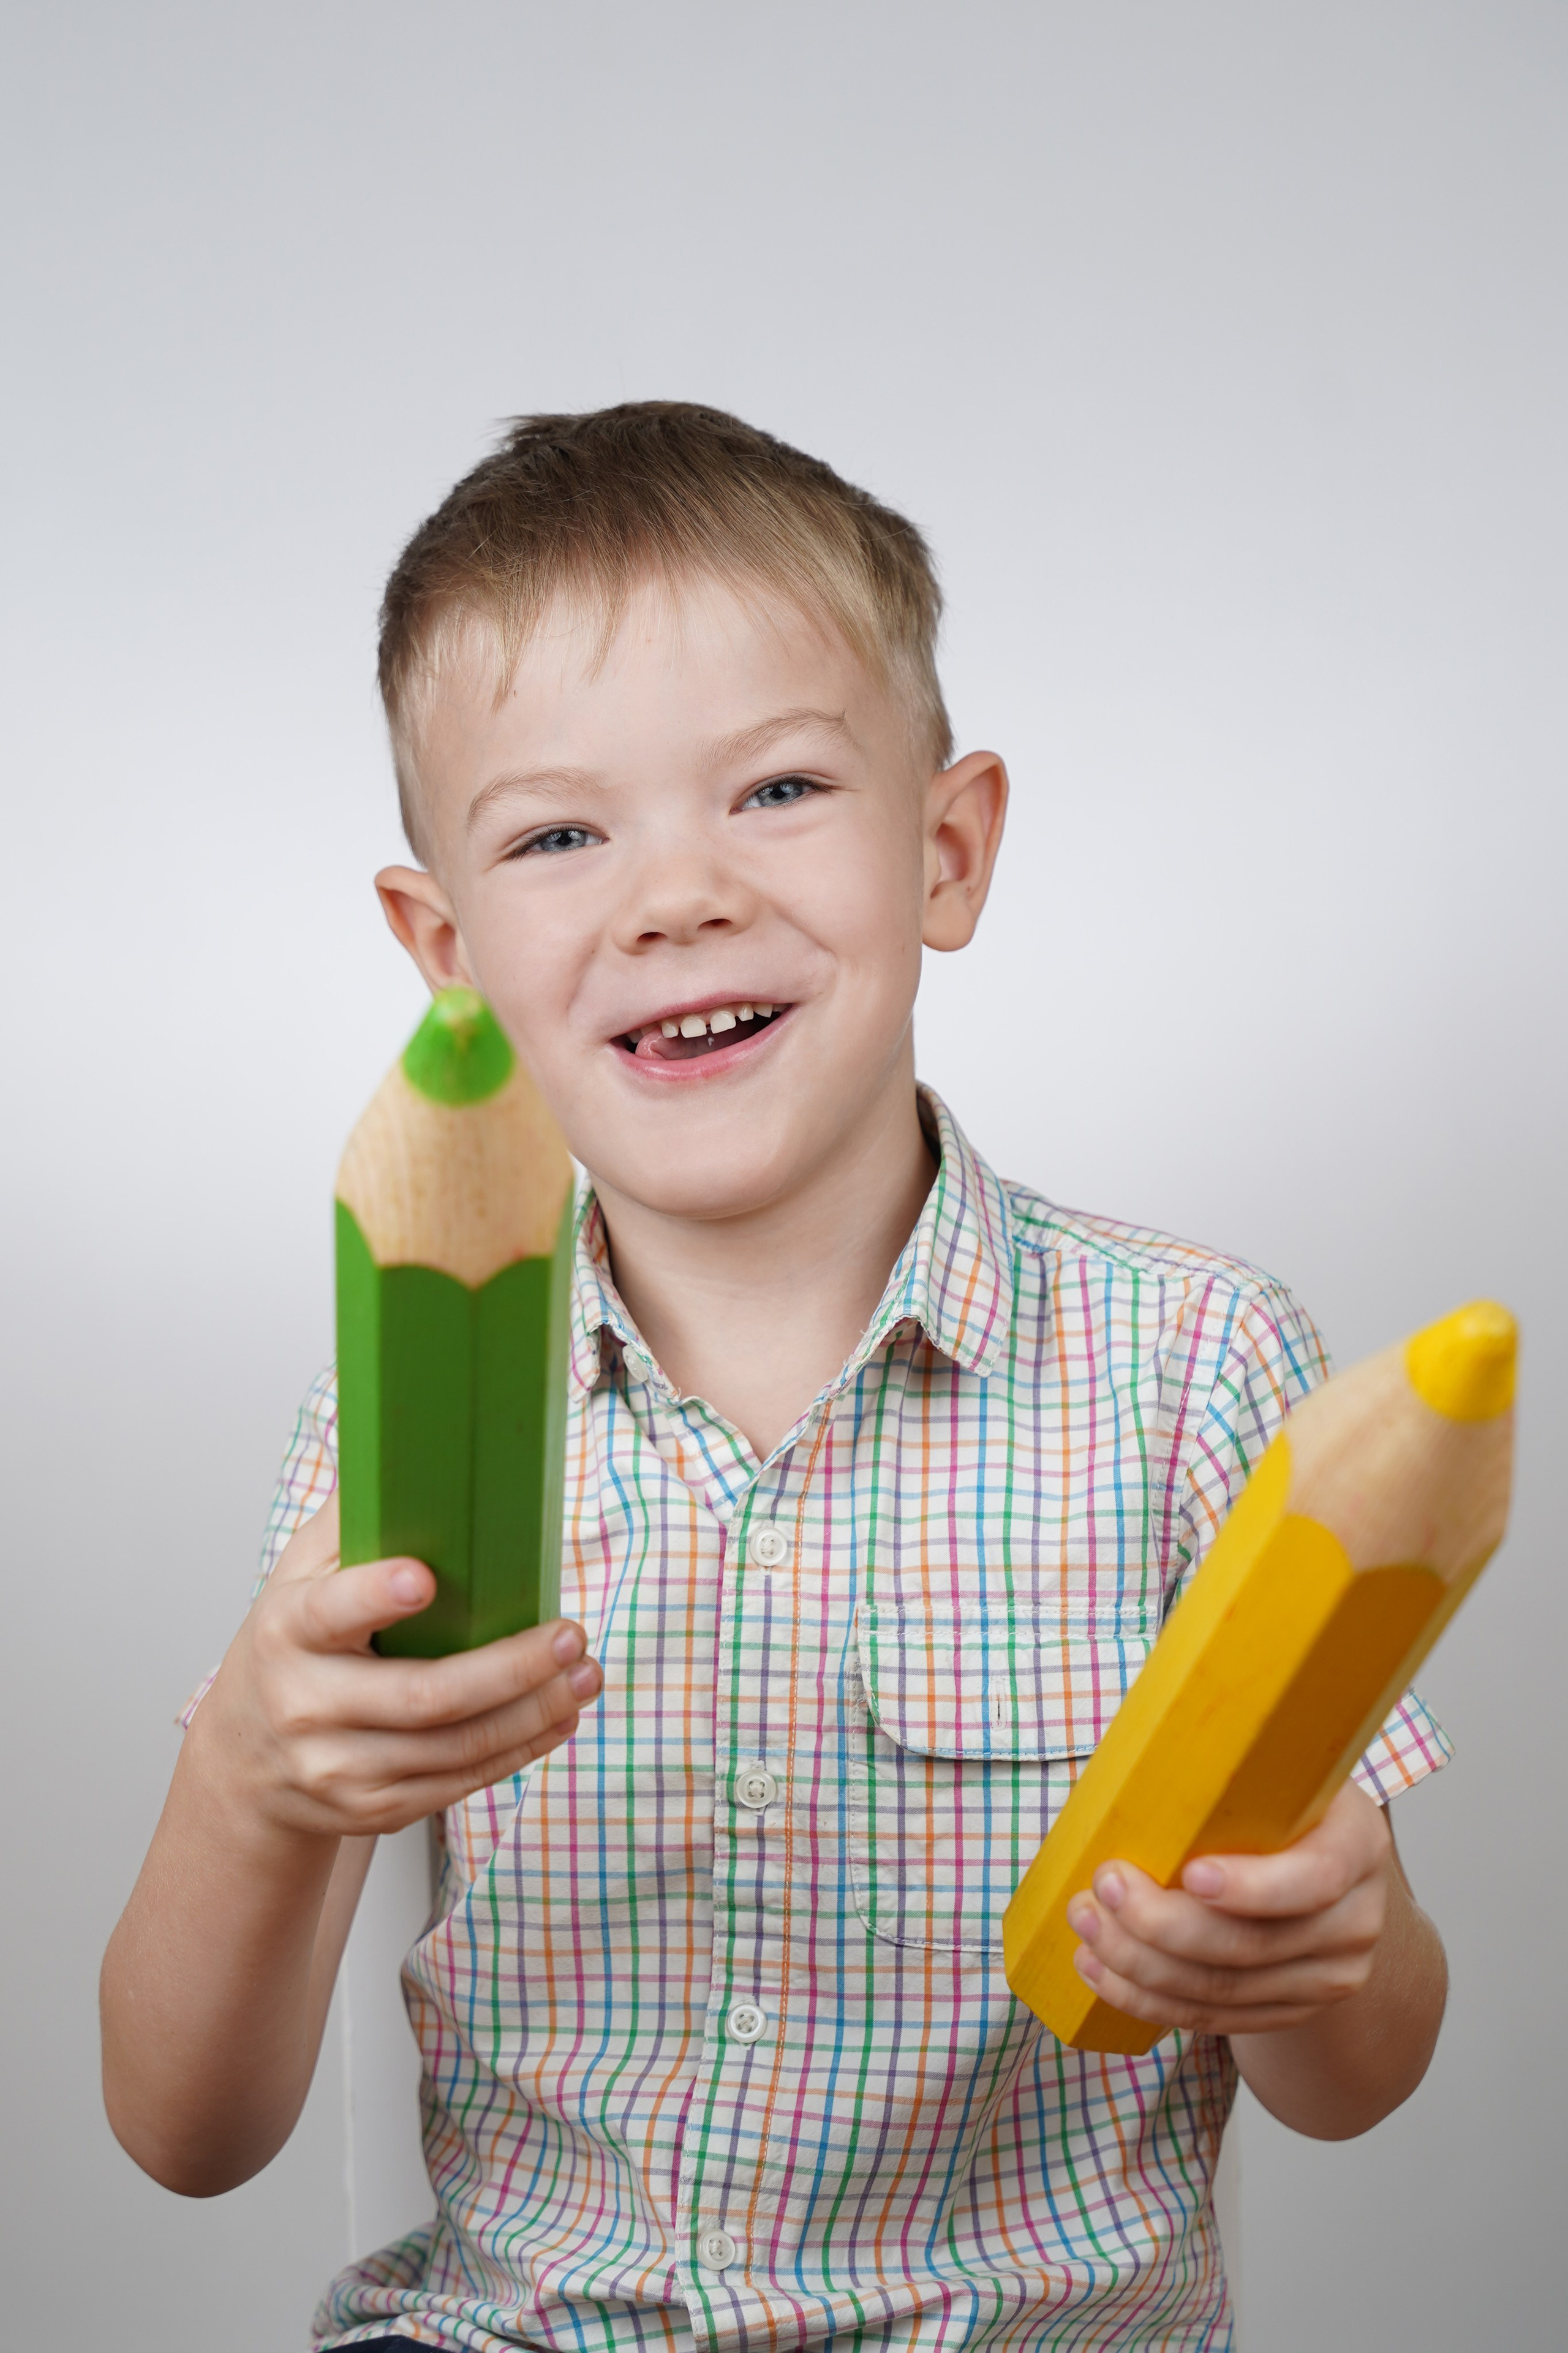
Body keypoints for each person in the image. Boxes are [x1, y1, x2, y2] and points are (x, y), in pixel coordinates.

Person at [101, 404, 1451, 2351]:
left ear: (947, 850)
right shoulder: (410, 1398)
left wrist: (1319, 1945)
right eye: (559, 834)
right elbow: (188, 2131)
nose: (677, 895)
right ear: (446, 945)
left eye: (779, 788)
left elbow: (1358, 2079)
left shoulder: (1197, 1368)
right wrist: (249, 1770)